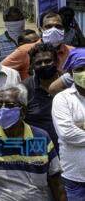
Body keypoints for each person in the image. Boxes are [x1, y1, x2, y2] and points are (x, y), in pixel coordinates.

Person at [0, 84, 66, 201]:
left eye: (9, 105)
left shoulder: (42, 138)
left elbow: (57, 184)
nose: (2, 110)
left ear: (23, 111)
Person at [52, 48, 85, 200]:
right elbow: (68, 134)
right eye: (80, 69)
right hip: (74, 179)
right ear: (71, 73)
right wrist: (75, 128)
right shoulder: (62, 99)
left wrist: (80, 126)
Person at [2, 12, 74, 80]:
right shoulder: (25, 50)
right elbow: (1, 70)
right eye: (48, 27)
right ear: (41, 30)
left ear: (63, 30)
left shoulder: (72, 52)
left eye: (58, 26)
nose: (54, 30)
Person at [23, 43, 60, 151]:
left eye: (48, 61)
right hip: (38, 153)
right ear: (32, 66)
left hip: (70, 151)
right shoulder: (24, 89)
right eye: (39, 63)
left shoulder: (69, 84)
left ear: (57, 62)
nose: (44, 65)